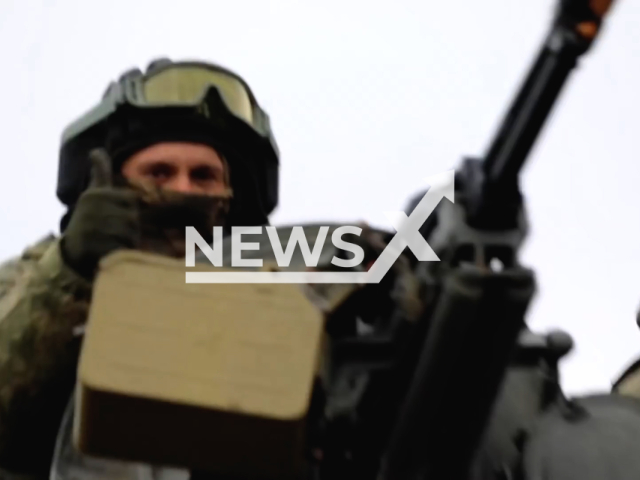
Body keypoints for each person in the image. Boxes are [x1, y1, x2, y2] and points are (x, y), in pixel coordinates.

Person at [0, 57, 280, 479]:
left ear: (230, 200)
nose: (183, 190)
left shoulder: (269, 291)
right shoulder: (37, 276)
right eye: (159, 173)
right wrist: (73, 273)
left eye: (204, 176)